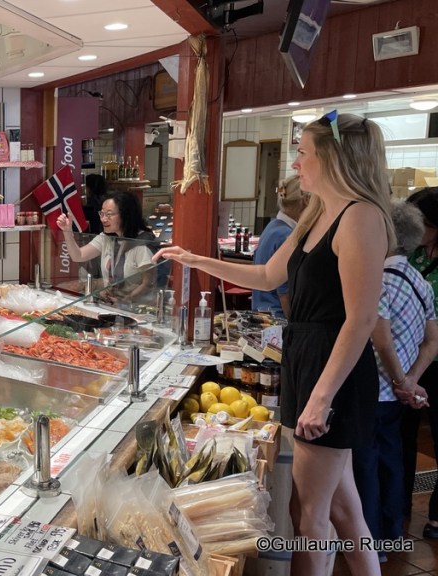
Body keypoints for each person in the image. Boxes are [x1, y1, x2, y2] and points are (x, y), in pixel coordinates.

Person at [155, 112, 392, 575]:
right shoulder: (319, 213)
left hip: (333, 369)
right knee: (344, 511)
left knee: (309, 518)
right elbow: (267, 275)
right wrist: (195, 259)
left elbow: (361, 319)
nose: (296, 162)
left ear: (332, 158)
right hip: (305, 357)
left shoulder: (360, 217)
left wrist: (321, 398)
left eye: (303, 152)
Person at [352, 200, 435, 558]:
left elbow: (379, 336)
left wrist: (400, 380)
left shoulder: (377, 279)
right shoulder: (421, 282)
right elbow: (433, 341)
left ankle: (370, 544)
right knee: (393, 460)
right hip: (402, 395)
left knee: (366, 465)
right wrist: (413, 379)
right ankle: (392, 533)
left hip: (373, 389)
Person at [402, 187, 438, 538]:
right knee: (404, 435)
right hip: (409, 360)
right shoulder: (413, 255)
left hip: (434, 361)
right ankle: (398, 506)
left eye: (422, 223)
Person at [56, 190, 156, 303]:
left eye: (109, 214)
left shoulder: (141, 244)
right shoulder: (106, 238)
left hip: (136, 307)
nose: (103, 219)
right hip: (113, 303)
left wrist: (125, 301)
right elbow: (78, 255)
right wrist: (67, 231)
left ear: (125, 214)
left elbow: (147, 285)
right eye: (102, 213)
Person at [251, 175, 308, 317]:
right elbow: (285, 294)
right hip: (277, 316)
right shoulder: (286, 236)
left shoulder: (272, 226)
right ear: (306, 201)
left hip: (261, 311)